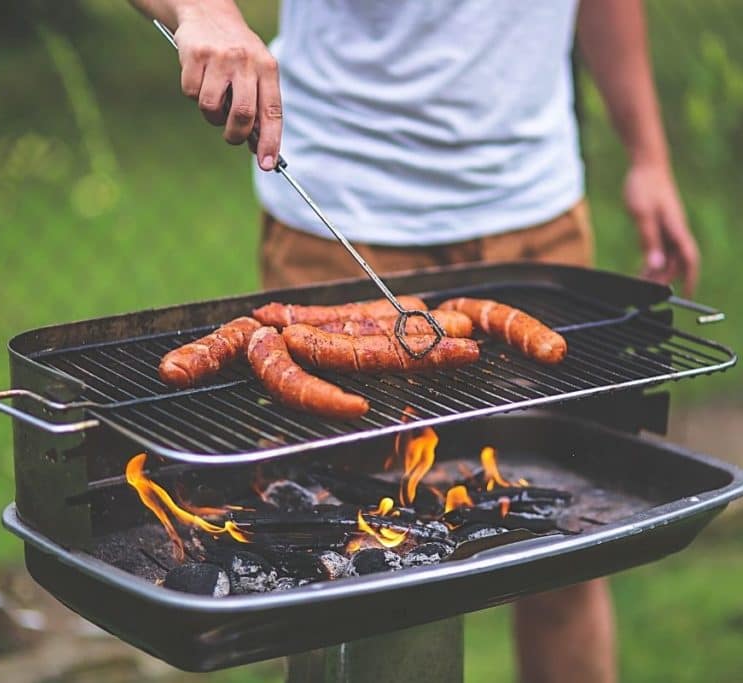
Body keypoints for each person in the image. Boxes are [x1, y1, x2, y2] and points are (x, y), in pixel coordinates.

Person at [131, 2, 700, 681]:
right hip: (341, 213)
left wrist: (649, 155)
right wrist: (202, 12)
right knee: (338, 570)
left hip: (535, 214)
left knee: (566, 554)